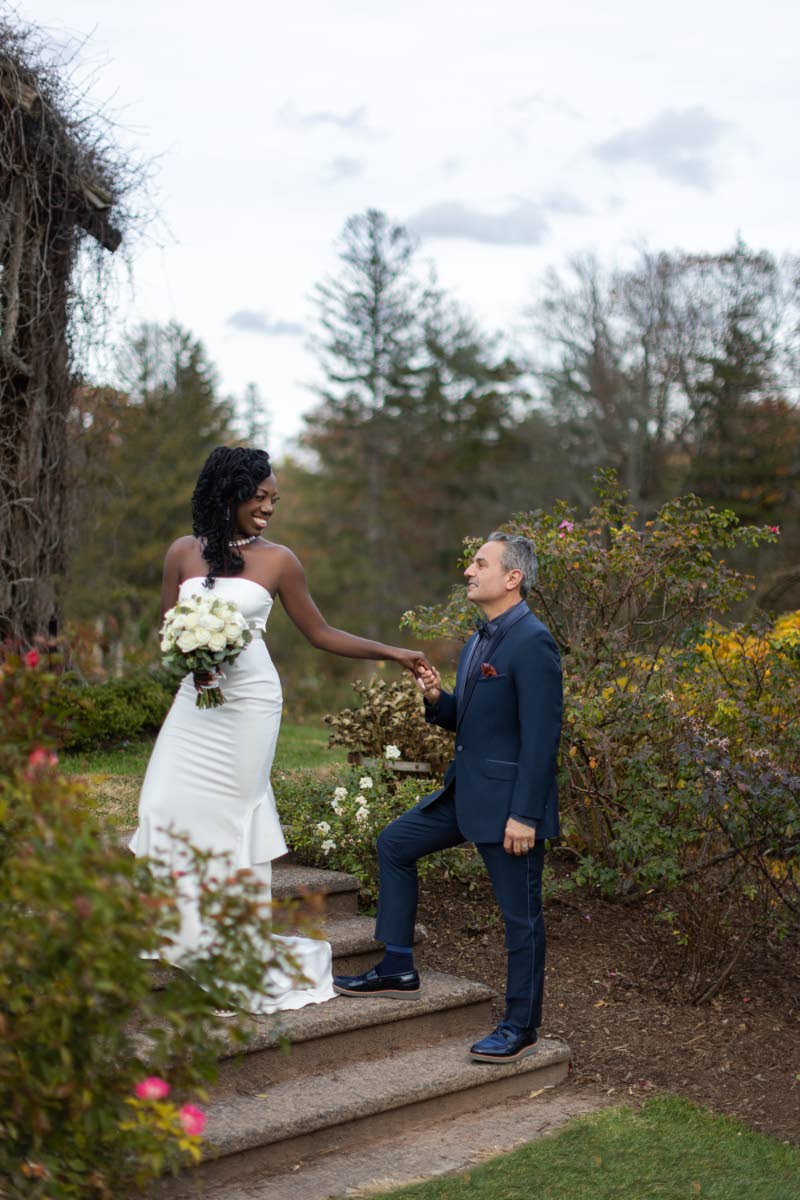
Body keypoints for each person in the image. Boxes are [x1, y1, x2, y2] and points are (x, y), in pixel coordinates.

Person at [130, 445, 429, 1014]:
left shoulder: (280, 561)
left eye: (274, 499)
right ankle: (185, 935)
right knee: (159, 805)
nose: (268, 508)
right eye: (259, 497)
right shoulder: (181, 553)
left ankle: (231, 963)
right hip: (195, 701)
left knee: (228, 827)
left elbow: (320, 633)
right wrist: (192, 658)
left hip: (250, 704)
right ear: (229, 493)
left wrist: (393, 652)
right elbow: (167, 634)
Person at [333, 533, 562, 1062]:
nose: (468, 571)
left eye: (480, 563)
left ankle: (521, 1025)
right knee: (394, 843)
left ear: (512, 578)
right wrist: (437, 699)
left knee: (521, 918)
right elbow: (476, 723)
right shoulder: (481, 639)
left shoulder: (533, 642)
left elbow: (541, 738)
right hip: (465, 794)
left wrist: (525, 814)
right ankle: (397, 965)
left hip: (509, 810)